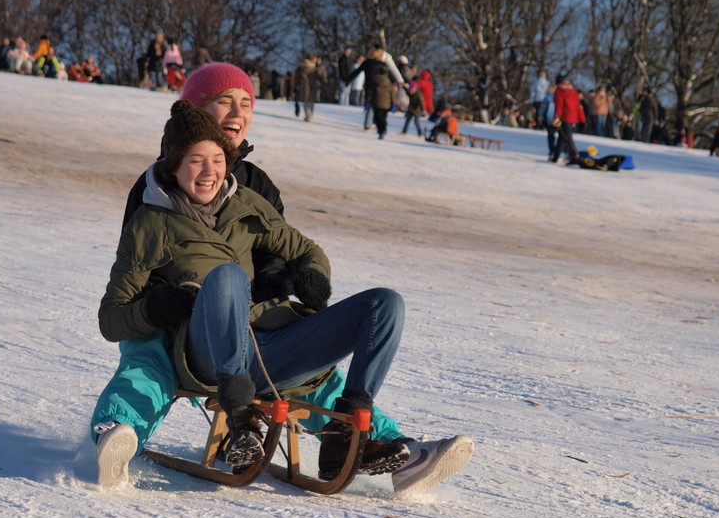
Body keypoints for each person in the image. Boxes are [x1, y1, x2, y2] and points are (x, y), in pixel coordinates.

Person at [91, 62, 470, 492]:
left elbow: (285, 252)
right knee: (146, 369)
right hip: (184, 329)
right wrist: (160, 307)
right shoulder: (152, 201)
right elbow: (127, 296)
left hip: (259, 328)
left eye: (245, 104)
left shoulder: (251, 193)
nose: (209, 170)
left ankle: (357, 438)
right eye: (223, 103)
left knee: (362, 328)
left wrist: (305, 280)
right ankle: (119, 431)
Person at [550, 74, 584, 163]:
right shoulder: (573, 91)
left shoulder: (559, 91)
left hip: (564, 117)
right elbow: (578, 106)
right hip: (573, 118)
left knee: (567, 137)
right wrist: (581, 119)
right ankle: (556, 157)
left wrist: (557, 117)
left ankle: (575, 154)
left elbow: (559, 106)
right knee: (563, 137)